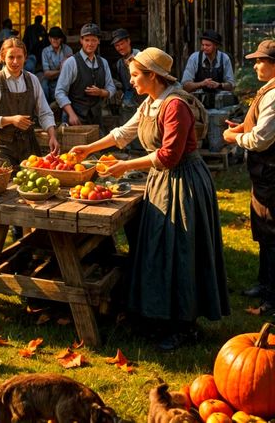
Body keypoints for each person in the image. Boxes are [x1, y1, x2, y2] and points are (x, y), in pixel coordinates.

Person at [71, 47, 228, 350]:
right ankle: (159, 316)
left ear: (152, 76)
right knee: (159, 248)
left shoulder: (175, 106)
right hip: (163, 181)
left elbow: (169, 156)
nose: (130, 81)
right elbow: (123, 133)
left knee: (181, 251)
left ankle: (184, 325)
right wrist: (89, 149)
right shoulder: (151, 103)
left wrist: (124, 166)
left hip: (185, 183)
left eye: (134, 75)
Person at [229, 39, 275, 316]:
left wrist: (235, 137)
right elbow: (258, 127)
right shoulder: (267, 90)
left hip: (271, 172)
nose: (256, 65)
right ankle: (263, 283)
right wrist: (242, 126)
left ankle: (271, 297)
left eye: (260, 61)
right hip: (263, 174)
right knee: (263, 228)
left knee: (271, 231)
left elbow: (261, 139)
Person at [0, 38, 59, 167]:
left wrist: (52, 135)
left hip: (28, 148)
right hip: (1, 150)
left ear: (25, 57)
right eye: (11, 57)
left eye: (19, 57)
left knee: (32, 185)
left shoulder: (33, 80)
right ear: (3, 57)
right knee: (2, 185)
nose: (15, 62)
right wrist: (11, 120)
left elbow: (45, 113)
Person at [55, 23, 115, 126]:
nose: (90, 44)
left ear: (98, 41)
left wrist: (101, 92)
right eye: (87, 40)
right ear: (81, 41)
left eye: (93, 40)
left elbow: (111, 88)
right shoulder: (71, 62)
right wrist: (71, 114)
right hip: (74, 118)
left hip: (96, 118)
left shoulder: (103, 63)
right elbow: (59, 92)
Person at [183, 30, 235, 103]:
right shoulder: (195, 58)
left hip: (220, 102)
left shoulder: (224, 58)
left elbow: (231, 85)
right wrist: (202, 84)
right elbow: (185, 86)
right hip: (197, 102)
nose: (204, 47)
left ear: (216, 46)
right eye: (202, 45)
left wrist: (219, 85)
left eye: (207, 45)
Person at [38, 26, 72, 99]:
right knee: (43, 86)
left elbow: (70, 70)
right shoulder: (45, 51)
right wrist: (61, 69)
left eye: (58, 38)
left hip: (64, 78)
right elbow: (47, 73)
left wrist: (58, 71)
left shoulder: (67, 49)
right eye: (53, 38)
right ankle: (46, 107)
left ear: (61, 39)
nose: (56, 40)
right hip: (49, 79)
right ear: (49, 39)